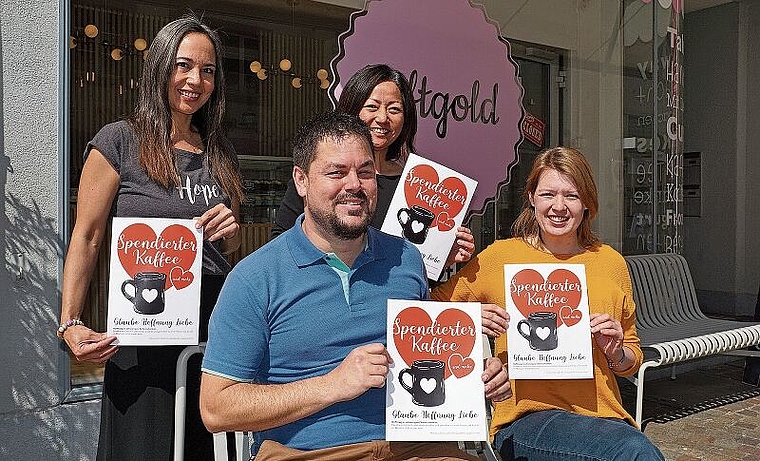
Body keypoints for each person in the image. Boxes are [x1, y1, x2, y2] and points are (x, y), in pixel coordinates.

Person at [200, 111, 511, 460]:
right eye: (336, 172)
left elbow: (426, 356)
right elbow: (216, 408)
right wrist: (333, 385)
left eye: (365, 172)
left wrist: (476, 380)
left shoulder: (407, 259)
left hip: (418, 449)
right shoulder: (255, 277)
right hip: (306, 452)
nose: (354, 185)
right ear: (301, 181)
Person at [57, 14, 242, 461]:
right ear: (160, 66)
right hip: (145, 326)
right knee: (146, 445)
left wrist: (231, 234)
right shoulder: (119, 141)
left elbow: (230, 245)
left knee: (204, 446)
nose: (195, 80)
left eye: (208, 70)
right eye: (184, 65)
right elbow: (87, 236)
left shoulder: (220, 150)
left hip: (212, 328)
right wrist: (70, 322)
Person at [431, 147, 665, 460]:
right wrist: (470, 318)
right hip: (527, 419)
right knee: (633, 452)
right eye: (548, 194)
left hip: (605, 419)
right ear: (531, 198)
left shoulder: (611, 262)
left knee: (629, 449)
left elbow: (630, 360)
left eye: (571, 195)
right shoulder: (499, 257)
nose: (558, 206)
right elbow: (428, 312)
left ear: (586, 203)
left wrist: (615, 352)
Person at [272, 63, 474, 271]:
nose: (383, 118)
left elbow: (415, 270)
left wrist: (440, 257)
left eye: (394, 109)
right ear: (352, 109)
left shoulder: (417, 185)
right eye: (372, 106)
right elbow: (283, 238)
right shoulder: (318, 176)